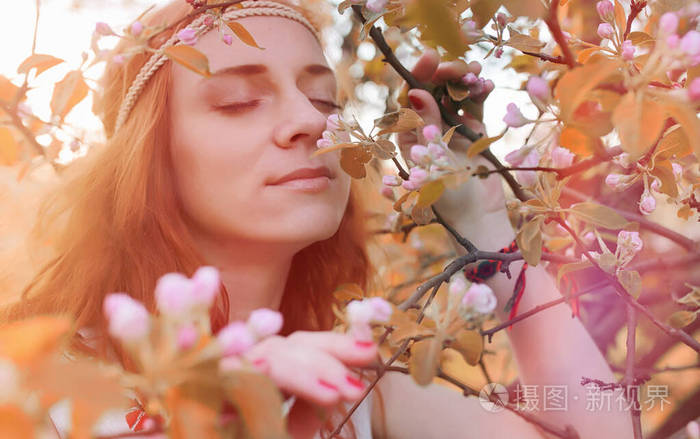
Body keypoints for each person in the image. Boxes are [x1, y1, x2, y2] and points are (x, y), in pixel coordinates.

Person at [2, 0, 635, 438]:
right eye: (239, 101)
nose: (311, 121)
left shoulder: (353, 393)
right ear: (146, 160)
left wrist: (486, 224)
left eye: (323, 97)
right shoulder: (33, 384)